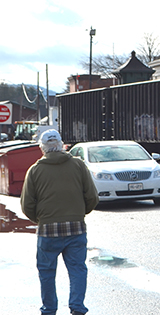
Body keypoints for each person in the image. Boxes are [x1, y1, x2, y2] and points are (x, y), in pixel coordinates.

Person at [20, 129, 99, 315]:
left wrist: (41, 219)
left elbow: (27, 204)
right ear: (62, 145)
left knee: (47, 272)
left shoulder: (35, 170)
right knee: (77, 269)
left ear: (42, 148)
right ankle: (77, 307)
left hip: (48, 230)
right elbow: (92, 197)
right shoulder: (78, 166)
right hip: (76, 227)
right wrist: (79, 213)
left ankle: (49, 309)